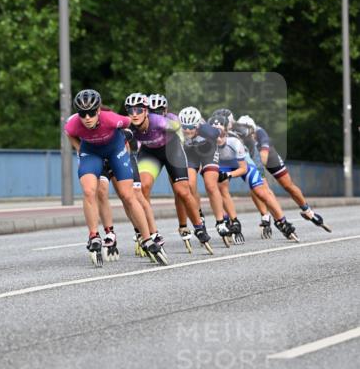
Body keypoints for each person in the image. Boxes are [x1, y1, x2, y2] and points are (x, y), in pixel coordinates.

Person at [65, 89, 166, 265]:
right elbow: (69, 133)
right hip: (91, 153)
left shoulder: (111, 118)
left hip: (115, 151)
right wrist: (78, 148)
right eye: (82, 113)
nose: (87, 118)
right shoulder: (73, 124)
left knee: (128, 195)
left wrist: (126, 140)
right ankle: (94, 236)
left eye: (91, 113)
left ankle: (147, 238)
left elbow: (130, 124)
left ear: (98, 110)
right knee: (89, 191)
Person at [125, 93, 213, 253]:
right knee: (143, 187)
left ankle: (199, 227)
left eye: (139, 111)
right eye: (131, 111)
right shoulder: (129, 125)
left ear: (146, 112)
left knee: (182, 191)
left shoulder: (159, 121)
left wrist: (187, 143)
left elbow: (180, 130)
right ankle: (146, 231)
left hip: (172, 150)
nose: (135, 115)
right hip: (150, 153)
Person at [210, 113, 299, 241]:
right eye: (215, 134)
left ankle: (282, 221)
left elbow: (243, 169)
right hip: (224, 163)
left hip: (244, 162)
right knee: (220, 187)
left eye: (221, 133)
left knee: (261, 191)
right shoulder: (207, 143)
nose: (218, 138)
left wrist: (228, 175)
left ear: (227, 130)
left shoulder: (235, 141)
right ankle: (233, 221)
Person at [235, 115, 331, 232]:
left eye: (250, 134)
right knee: (256, 186)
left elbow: (263, 158)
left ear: (253, 130)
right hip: (252, 157)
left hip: (269, 156)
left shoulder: (261, 134)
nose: (248, 137)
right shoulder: (237, 136)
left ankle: (308, 211)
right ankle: (265, 216)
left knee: (288, 185)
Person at [178, 106, 233, 248]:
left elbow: (221, 132)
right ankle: (199, 214)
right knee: (189, 185)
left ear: (198, 125)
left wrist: (221, 130)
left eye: (191, 127)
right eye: (184, 127)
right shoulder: (178, 130)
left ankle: (220, 221)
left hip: (208, 151)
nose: (187, 130)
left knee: (210, 185)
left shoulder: (207, 130)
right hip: (191, 153)